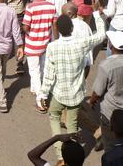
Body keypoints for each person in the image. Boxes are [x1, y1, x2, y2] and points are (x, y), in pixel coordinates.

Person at [37, 14, 106, 161]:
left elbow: (49, 74)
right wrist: (96, 14)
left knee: (54, 116)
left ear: (58, 30)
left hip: (59, 94)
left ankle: (60, 156)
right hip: (75, 96)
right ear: (72, 28)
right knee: (72, 126)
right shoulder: (81, 43)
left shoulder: (52, 47)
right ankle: (71, 157)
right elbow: (101, 35)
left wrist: (42, 95)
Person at [90, 30, 123, 152]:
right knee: (121, 135)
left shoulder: (105, 65)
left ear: (110, 45)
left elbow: (97, 92)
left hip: (110, 113)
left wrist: (92, 101)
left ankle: (110, 149)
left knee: (110, 145)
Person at [22, 0, 57, 103]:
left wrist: (27, 31)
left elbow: (26, 27)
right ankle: (35, 88)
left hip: (32, 43)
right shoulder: (51, 6)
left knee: (34, 70)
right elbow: (54, 24)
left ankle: (40, 97)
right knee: (42, 67)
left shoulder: (30, 7)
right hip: (46, 42)